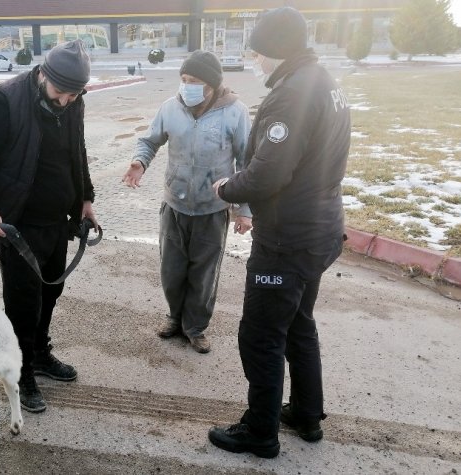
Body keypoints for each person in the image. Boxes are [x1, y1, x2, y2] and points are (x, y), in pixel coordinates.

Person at [208, 7, 351, 458]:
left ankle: (260, 431)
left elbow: (268, 174)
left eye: (259, 51)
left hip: (288, 238)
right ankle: (306, 414)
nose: (255, 59)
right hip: (321, 229)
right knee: (299, 324)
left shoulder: (292, 95)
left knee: (261, 334)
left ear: (277, 50)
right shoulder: (324, 82)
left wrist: (226, 188)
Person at [0, 39, 98, 413]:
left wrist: (85, 198)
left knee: (51, 291)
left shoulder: (73, 100)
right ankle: (19, 372)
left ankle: (38, 353)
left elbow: (77, 150)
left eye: (74, 94)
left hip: (58, 220)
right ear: (43, 75)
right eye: (60, 92)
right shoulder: (3, 101)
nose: (66, 101)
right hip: (17, 225)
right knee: (23, 302)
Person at [122, 50, 252, 354]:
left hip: (213, 208)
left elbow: (247, 163)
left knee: (203, 274)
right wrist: (139, 162)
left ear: (211, 84)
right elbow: (150, 141)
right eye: (183, 79)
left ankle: (195, 327)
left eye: (193, 80)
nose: (186, 86)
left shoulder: (235, 112)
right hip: (174, 206)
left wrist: (244, 210)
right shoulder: (170, 108)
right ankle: (174, 317)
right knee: (172, 269)